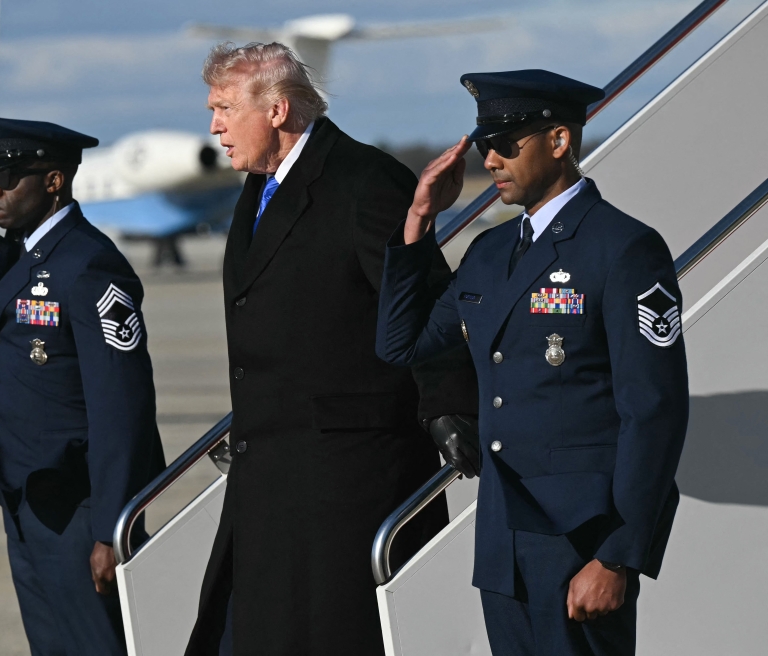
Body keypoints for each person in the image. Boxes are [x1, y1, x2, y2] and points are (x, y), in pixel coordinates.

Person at [375, 69, 689, 655]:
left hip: (583, 540)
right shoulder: (491, 252)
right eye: (483, 144)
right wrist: (419, 221)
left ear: (559, 141)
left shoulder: (622, 247)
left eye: (505, 142)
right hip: (504, 534)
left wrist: (618, 555)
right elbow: (402, 343)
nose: (490, 158)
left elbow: (655, 411)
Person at [185, 43, 479, 655]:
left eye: (222, 108)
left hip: (347, 482)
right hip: (270, 476)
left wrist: (449, 406)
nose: (213, 125)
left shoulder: (364, 182)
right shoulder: (257, 189)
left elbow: (424, 301)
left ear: (276, 110)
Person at [0, 115, 165, 655]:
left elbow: (122, 404)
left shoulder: (88, 264)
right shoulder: (23, 255)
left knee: (96, 645)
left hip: (78, 505)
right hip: (26, 497)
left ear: (54, 182)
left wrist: (111, 528)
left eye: (9, 175)